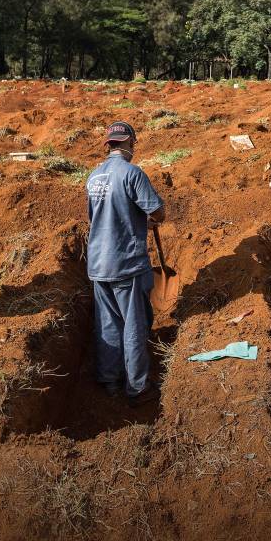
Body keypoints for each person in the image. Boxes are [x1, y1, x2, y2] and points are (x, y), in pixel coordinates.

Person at [86, 121, 165, 407]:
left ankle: (109, 379)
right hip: (125, 262)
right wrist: (154, 218)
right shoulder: (132, 174)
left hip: (98, 263)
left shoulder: (93, 177)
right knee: (134, 325)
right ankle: (137, 387)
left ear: (109, 144)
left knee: (107, 323)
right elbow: (157, 210)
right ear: (130, 142)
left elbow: (95, 216)